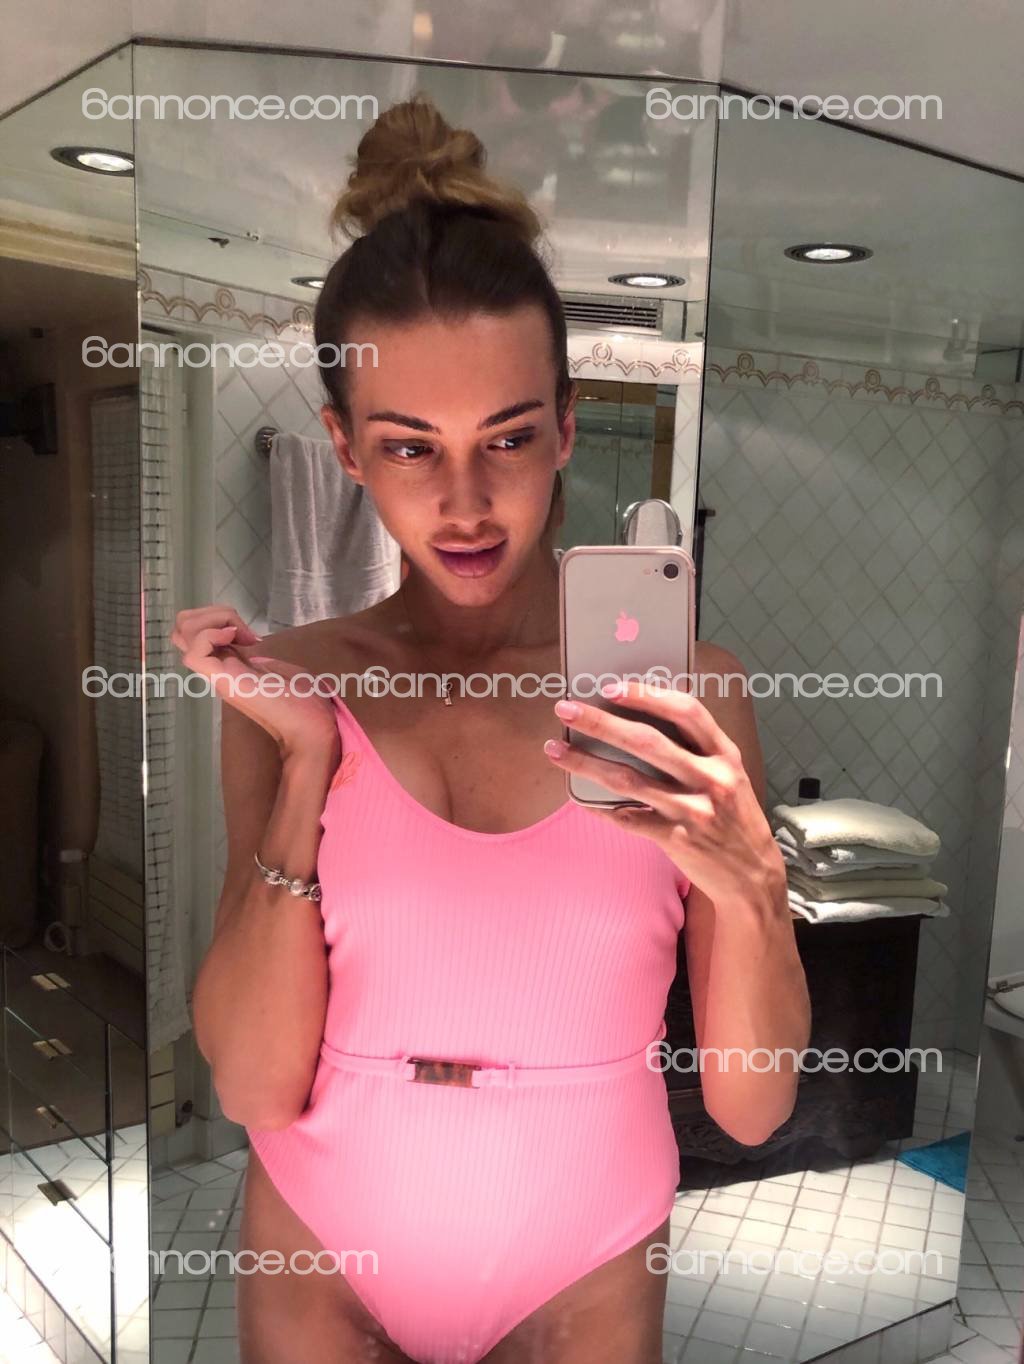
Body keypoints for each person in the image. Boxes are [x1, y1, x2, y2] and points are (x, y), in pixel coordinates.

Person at [172, 92, 810, 1364]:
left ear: (565, 426)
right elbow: (251, 1081)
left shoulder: (688, 691)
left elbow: (751, 1106)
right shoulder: (292, 688)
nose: (465, 501)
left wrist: (752, 885)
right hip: (324, 1236)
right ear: (345, 448)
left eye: (507, 437)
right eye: (411, 448)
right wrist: (308, 760)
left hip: (584, 1244)